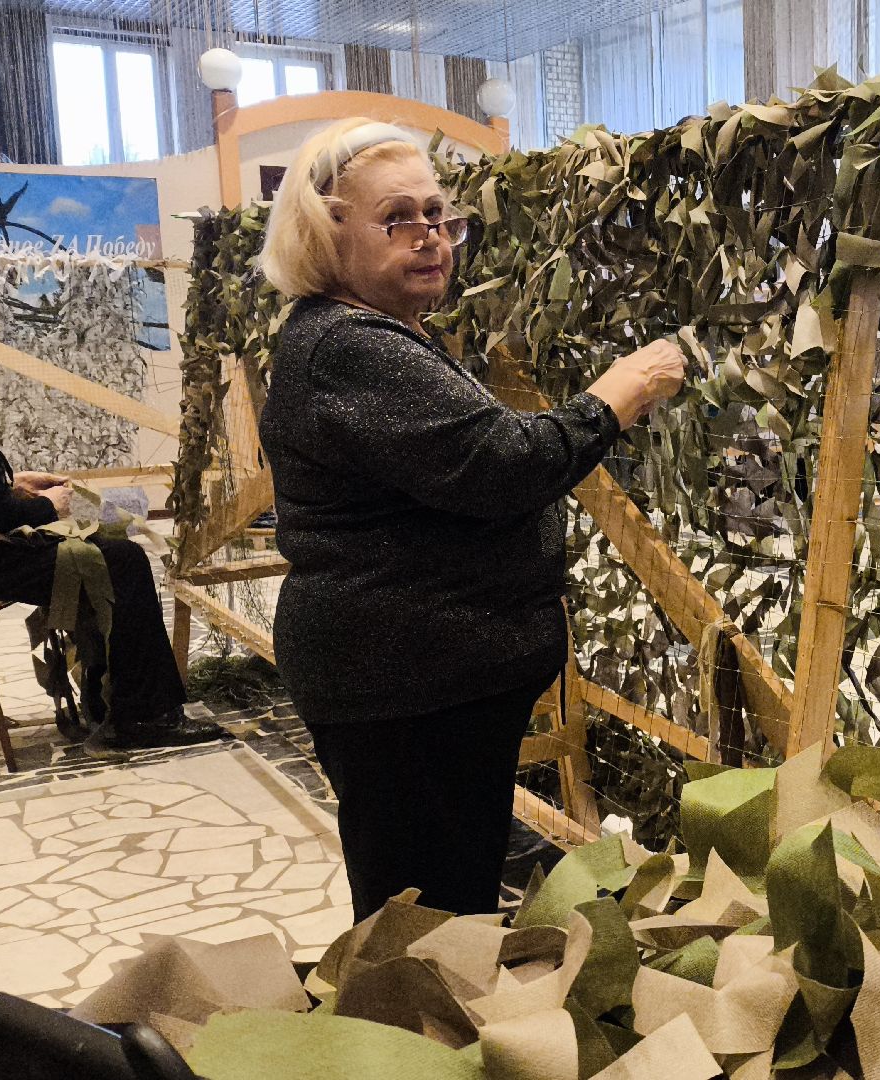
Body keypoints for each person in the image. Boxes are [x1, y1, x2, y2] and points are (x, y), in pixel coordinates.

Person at [258, 119, 685, 920]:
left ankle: (421, 1029)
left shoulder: (369, 335)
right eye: (399, 219)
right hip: (406, 682)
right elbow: (500, 466)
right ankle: (407, 1036)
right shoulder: (352, 346)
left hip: (422, 675)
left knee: (437, 891)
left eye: (437, 216)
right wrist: (617, 394)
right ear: (325, 228)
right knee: (424, 918)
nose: (430, 239)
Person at [0, 294, 227, 755]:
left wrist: (13, 481)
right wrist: (53, 504)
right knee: (119, 558)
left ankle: (111, 701)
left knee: (108, 539)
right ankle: (141, 715)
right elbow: (3, 516)